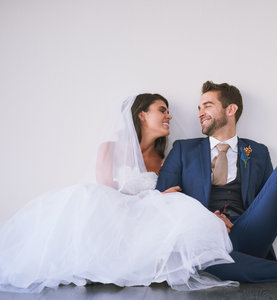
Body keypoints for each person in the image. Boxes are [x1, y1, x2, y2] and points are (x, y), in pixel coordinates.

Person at [0, 94, 238, 293]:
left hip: (142, 227)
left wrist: (165, 199)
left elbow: (168, 195)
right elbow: (106, 193)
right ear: (142, 115)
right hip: (107, 220)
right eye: (162, 110)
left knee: (177, 203)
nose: (169, 116)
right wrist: (152, 198)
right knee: (88, 195)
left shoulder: (165, 161)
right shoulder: (110, 148)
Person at [156, 81, 277, 292]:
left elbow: (271, 203)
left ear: (231, 109)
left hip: (247, 234)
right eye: (199, 108)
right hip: (204, 244)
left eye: (208, 105)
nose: (200, 113)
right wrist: (206, 219)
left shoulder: (257, 151)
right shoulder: (183, 150)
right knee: (199, 261)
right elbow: (162, 201)